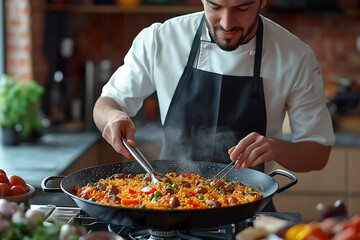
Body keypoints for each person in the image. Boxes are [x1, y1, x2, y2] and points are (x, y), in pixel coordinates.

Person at [93, 0, 335, 210]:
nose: (227, 23)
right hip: (166, 204)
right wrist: (114, 118)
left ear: (263, 2)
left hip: (249, 208)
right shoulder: (161, 39)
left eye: (242, 8)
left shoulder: (295, 56)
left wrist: (275, 148)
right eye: (215, 7)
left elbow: (318, 153)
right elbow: (106, 103)